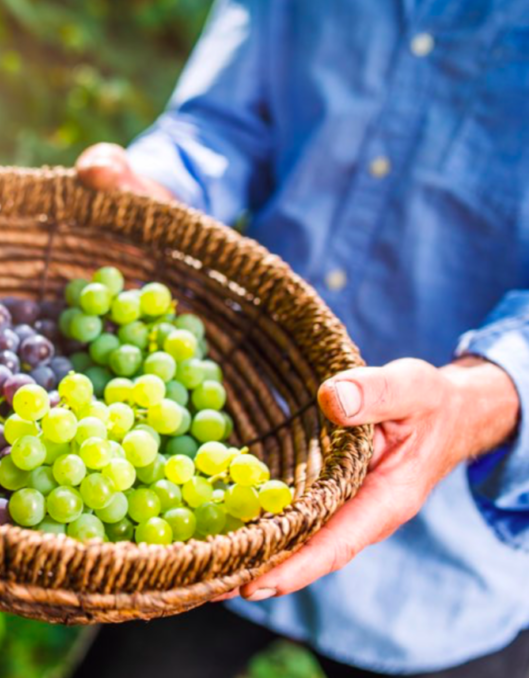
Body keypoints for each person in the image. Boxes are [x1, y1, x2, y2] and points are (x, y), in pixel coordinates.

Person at [71, 1, 529, 677]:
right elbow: (224, 121)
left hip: (447, 572)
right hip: (222, 474)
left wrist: (480, 399)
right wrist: (158, 187)